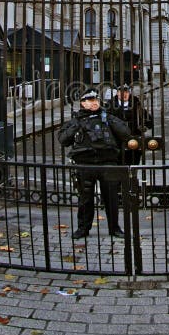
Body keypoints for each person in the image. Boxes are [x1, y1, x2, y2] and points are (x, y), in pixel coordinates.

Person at [58, 88, 132, 239]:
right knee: (85, 199)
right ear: (83, 103)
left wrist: (109, 118)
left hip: (107, 163)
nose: (94, 103)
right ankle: (83, 228)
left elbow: (125, 133)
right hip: (85, 164)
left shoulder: (107, 117)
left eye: (96, 100)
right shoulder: (76, 120)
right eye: (90, 100)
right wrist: (77, 123)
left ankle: (115, 228)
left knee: (111, 198)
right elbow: (63, 140)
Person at [108, 84, 151, 165]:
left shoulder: (136, 104)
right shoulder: (110, 105)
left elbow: (149, 121)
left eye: (126, 92)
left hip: (134, 139)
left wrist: (144, 123)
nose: (124, 94)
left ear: (129, 93)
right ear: (117, 93)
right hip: (117, 141)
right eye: (121, 92)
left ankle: (133, 176)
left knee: (134, 162)